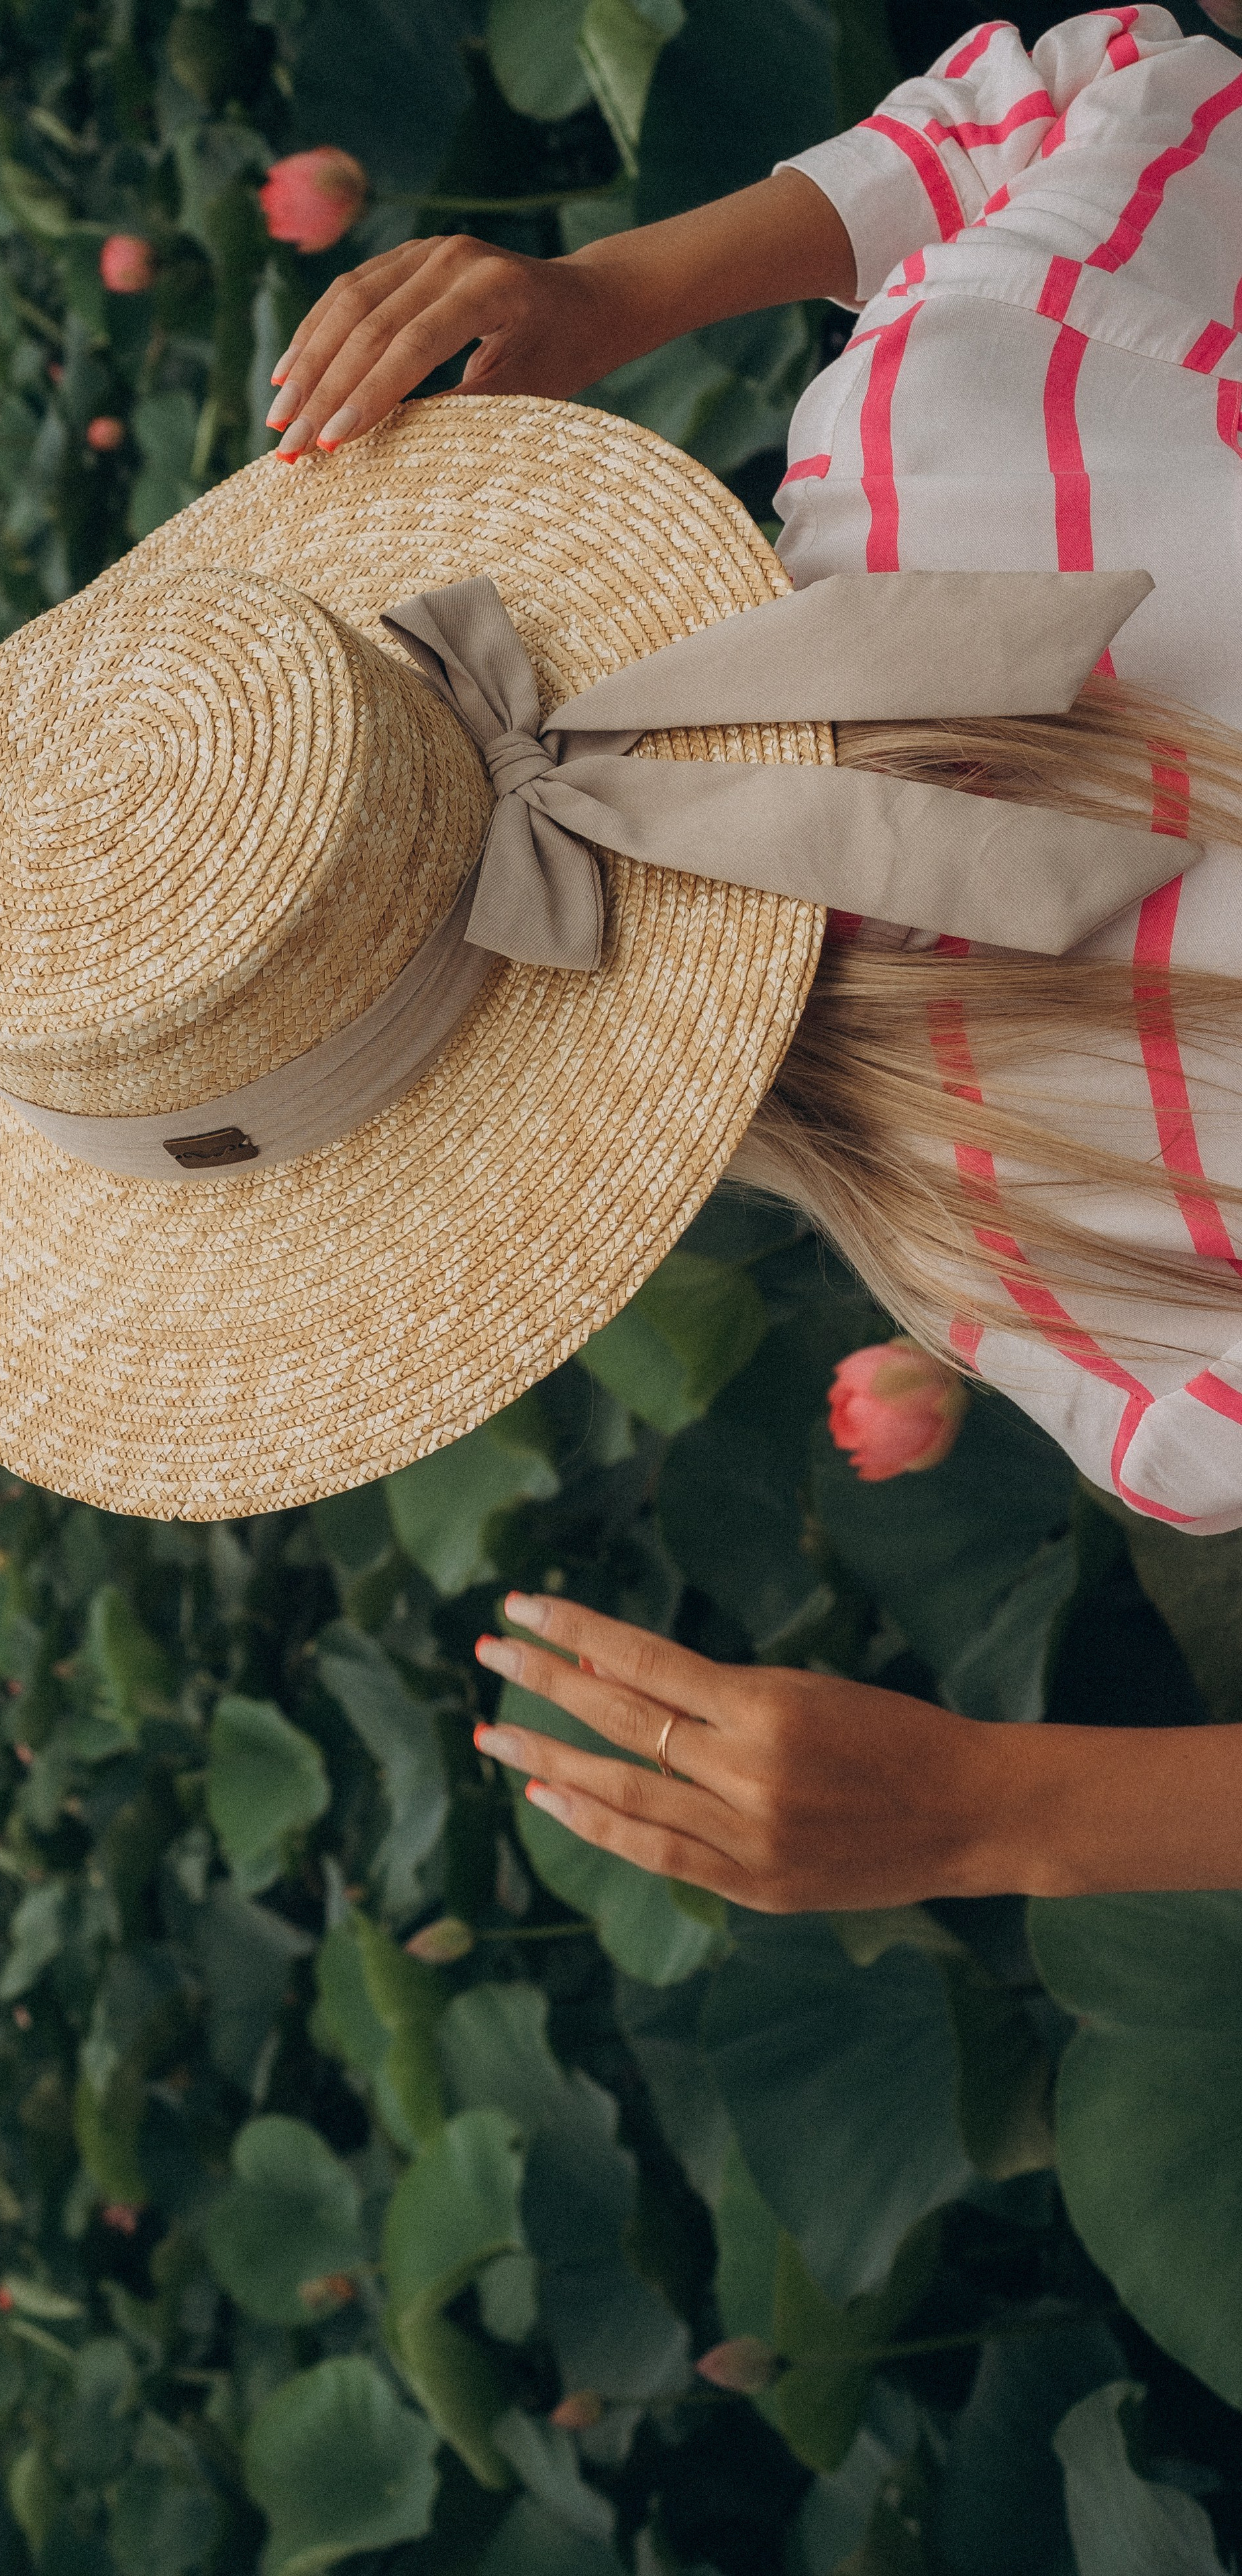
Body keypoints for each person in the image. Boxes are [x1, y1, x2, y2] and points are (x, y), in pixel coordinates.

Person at [263, 8, 1242, 1906]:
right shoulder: (944, 408)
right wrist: (613, 287)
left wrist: (1005, 1814)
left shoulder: (1059, 1276)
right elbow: (1135, 80)